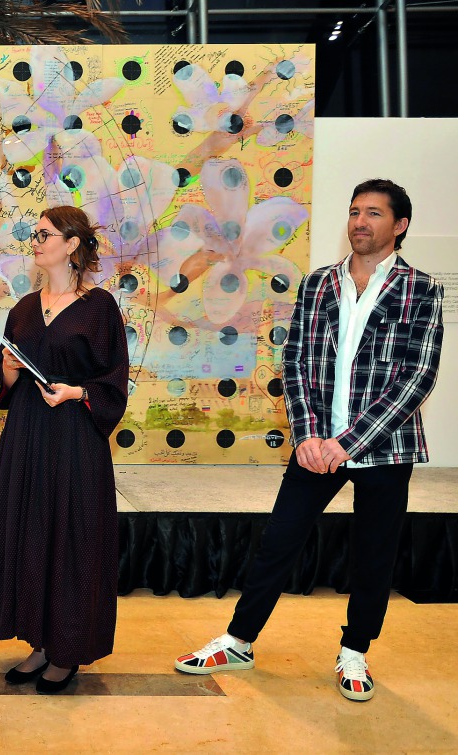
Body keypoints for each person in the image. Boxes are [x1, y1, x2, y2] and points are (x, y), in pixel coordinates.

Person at [175, 179, 444, 702]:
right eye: (353, 212)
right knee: (277, 542)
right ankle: (238, 641)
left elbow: (418, 376)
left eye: (372, 213)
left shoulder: (423, 289)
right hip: (315, 444)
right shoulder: (320, 283)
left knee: (374, 553)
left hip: (384, 448)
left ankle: (355, 653)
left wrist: (349, 443)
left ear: (399, 225)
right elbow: (294, 361)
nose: (359, 222)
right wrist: (308, 434)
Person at [0, 205, 129, 694]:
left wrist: (77, 392)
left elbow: (113, 382)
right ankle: (39, 644)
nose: (36, 240)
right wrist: (7, 370)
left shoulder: (100, 306)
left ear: (71, 244)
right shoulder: (23, 308)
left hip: (73, 440)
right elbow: (4, 377)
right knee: (29, 533)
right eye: (34, 233)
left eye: (44, 233)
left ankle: (66, 650)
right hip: (26, 436)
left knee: (71, 538)